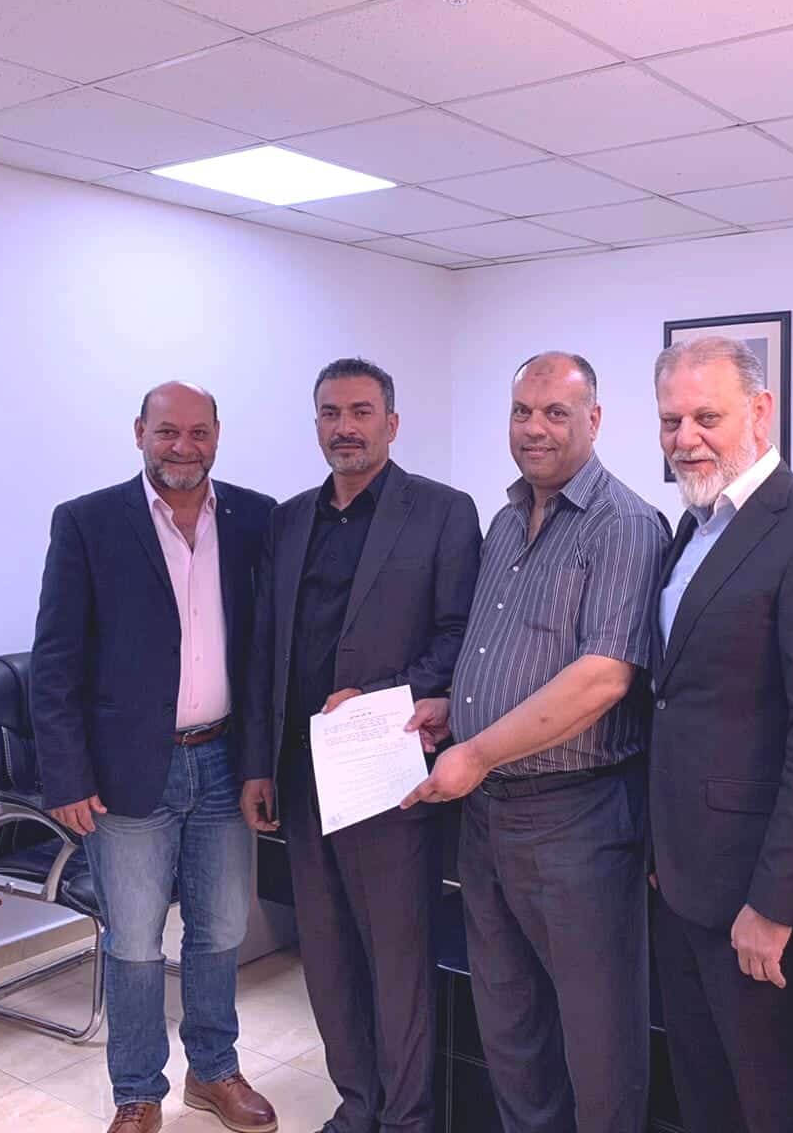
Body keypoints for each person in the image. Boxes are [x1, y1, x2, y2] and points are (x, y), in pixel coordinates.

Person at [400, 352, 667, 1133]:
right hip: (488, 815)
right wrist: (455, 711)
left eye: (556, 412)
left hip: (576, 821)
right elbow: (500, 652)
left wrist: (478, 751)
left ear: (595, 420)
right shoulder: (507, 519)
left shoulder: (624, 526)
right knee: (509, 1023)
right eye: (522, 411)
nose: (535, 428)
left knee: (598, 1036)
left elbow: (602, 678)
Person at [239, 358, 481, 1133]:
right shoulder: (287, 521)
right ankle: (357, 1106)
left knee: (398, 961)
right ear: (316, 424)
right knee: (328, 955)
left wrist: (386, 696)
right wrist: (256, 764)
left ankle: (407, 1118)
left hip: (387, 771)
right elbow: (264, 651)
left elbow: (461, 636)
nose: (345, 427)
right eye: (331, 413)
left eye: (361, 412)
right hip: (302, 776)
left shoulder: (443, 512)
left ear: (392, 423)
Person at [30, 382, 279, 1133]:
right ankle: (137, 1091)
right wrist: (67, 774)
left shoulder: (255, 518)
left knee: (222, 928)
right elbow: (55, 661)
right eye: (168, 431)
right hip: (126, 773)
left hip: (224, 759)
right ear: (139, 430)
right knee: (135, 941)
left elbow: (264, 651)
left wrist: (263, 762)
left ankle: (214, 1070)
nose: (184, 446)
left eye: (199, 432)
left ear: (218, 435)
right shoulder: (88, 522)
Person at [651, 336, 793, 1133]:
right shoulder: (692, 530)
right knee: (706, 1098)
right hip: (686, 885)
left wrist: (775, 906)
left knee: (781, 1106)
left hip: (766, 899)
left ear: (760, 412)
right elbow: (680, 704)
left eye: (706, 417)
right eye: (671, 421)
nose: (686, 438)